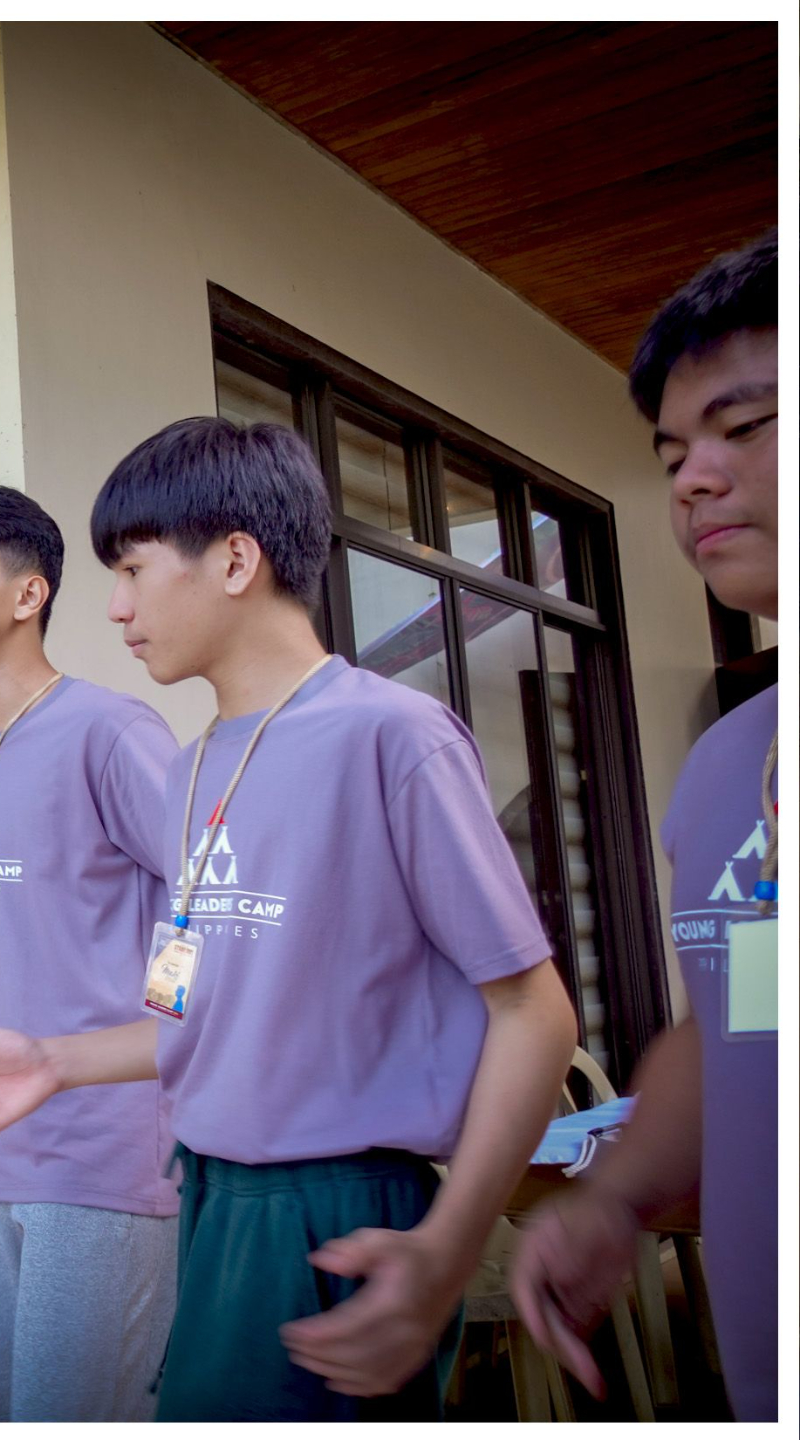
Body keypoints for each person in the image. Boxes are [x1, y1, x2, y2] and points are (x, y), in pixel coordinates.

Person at [0, 419, 577, 1420]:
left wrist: (451, 1245)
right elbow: (203, 1015)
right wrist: (52, 1061)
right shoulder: (195, 768)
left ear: (233, 560)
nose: (118, 606)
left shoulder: (391, 736)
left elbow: (534, 1012)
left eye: (133, 570)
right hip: (211, 1193)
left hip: (341, 1201)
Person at [510, 231, 779, 1421]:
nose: (692, 480)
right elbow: (742, 1022)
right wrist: (613, 1201)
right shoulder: (729, 763)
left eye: (746, 426)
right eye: (673, 453)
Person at [0, 484, 180, 1420]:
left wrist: (171, 1027)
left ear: (28, 595)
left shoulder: (109, 730)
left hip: (102, 1154)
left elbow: (201, 902)